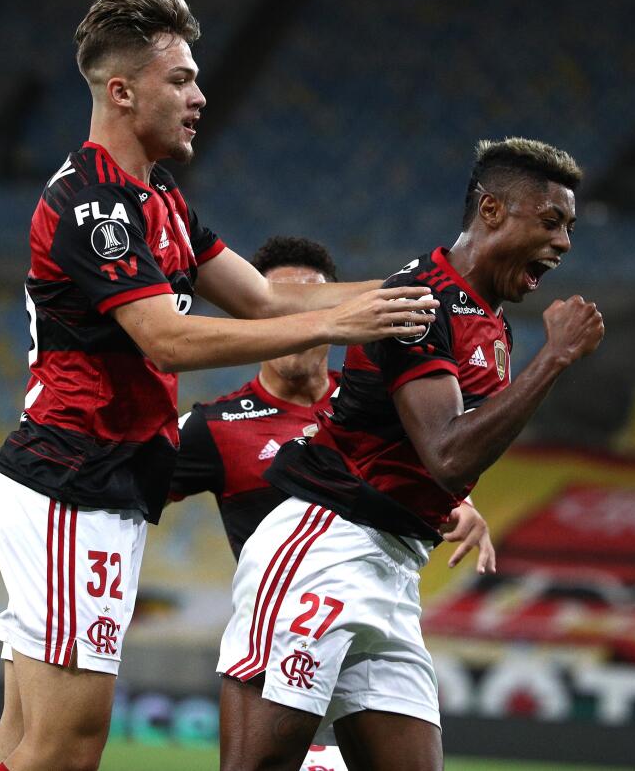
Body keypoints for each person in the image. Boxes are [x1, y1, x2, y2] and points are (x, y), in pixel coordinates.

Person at [0, 0, 436, 771]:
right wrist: (335, 324)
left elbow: (263, 297)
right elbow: (165, 339)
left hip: (98, 487)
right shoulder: (93, 205)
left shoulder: (159, 200)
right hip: (70, 481)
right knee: (66, 746)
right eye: (180, 79)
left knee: (27, 744)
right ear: (121, 91)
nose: (198, 96)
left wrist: (426, 289)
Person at [216, 137, 605, 770]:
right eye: (551, 220)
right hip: (327, 546)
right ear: (492, 212)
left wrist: (458, 504)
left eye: (569, 227)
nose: (563, 242)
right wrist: (555, 358)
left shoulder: (493, 322)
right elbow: (447, 453)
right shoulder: (417, 299)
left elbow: (440, 462)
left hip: (396, 566)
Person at [169, 235, 495, 771]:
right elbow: (131, 486)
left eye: (315, 304)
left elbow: (430, 463)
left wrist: (464, 504)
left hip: (372, 616)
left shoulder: (375, 402)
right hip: (290, 636)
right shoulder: (215, 426)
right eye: (284, 305)